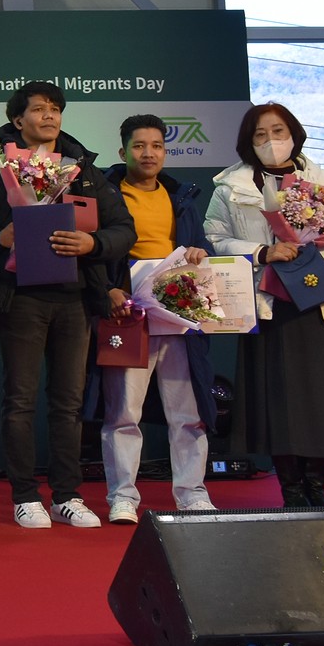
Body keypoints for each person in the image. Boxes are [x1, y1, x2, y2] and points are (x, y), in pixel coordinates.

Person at [0, 82, 135, 529]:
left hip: (75, 299)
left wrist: (93, 243)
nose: (49, 116)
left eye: (55, 109)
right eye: (39, 109)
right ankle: (25, 496)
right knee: (20, 400)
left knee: (69, 403)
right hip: (20, 298)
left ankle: (67, 495)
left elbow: (123, 229)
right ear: (17, 119)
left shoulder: (83, 169)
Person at [204, 102, 324, 506]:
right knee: (279, 404)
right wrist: (263, 251)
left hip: (322, 305)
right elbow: (214, 237)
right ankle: (292, 491)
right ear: (248, 142)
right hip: (271, 306)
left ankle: (318, 488)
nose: (271, 141)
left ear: (295, 134)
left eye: (278, 131)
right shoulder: (230, 187)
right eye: (260, 134)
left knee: (321, 402)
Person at [86, 114, 218, 522]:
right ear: (123, 151)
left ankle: (192, 494)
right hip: (128, 316)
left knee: (188, 414)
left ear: (165, 151)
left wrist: (200, 251)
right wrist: (108, 290)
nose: (149, 153)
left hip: (179, 317)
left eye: (157, 146)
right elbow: (93, 252)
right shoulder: (105, 194)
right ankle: (122, 496)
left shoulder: (182, 197)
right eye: (139, 146)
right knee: (123, 413)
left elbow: (202, 246)